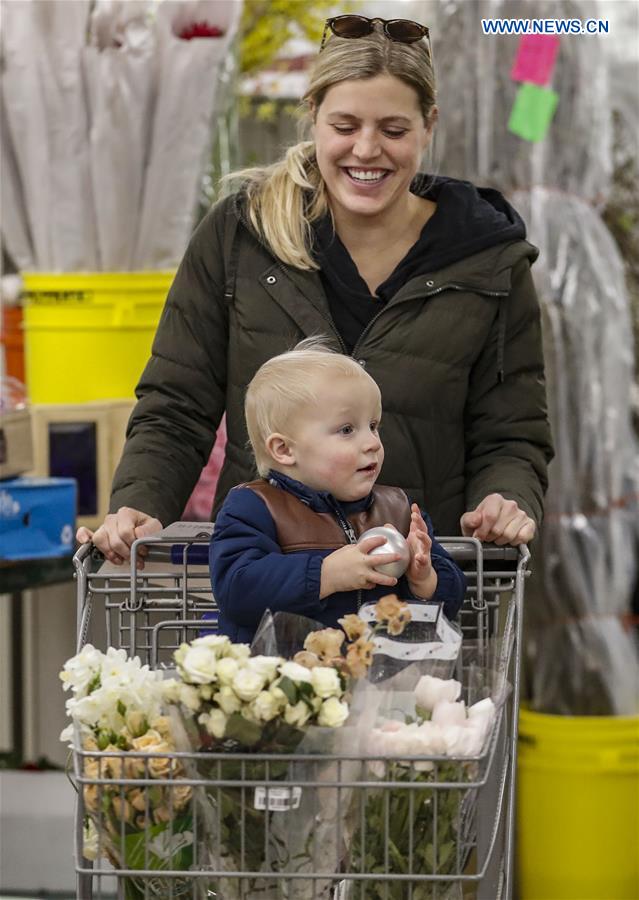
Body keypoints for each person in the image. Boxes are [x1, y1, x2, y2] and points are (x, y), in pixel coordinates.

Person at [77, 14, 553, 566]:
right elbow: (177, 406)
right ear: (313, 118)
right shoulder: (241, 235)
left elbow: (511, 432)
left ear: (429, 126)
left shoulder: (488, 261)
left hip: (421, 586)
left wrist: (506, 500)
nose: (367, 150)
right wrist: (140, 501)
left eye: (394, 130)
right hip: (263, 578)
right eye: (345, 126)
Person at [209, 340, 467, 642]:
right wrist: (325, 574)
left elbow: (451, 600)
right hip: (288, 681)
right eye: (347, 430)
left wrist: (424, 578)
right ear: (284, 449)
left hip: (380, 680)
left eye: (374, 426)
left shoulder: (398, 509)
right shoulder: (254, 507)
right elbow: (237, 589)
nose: (372, 442)